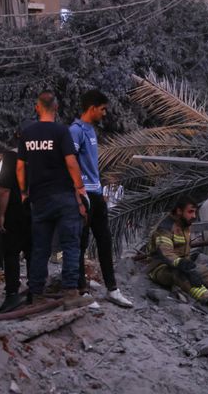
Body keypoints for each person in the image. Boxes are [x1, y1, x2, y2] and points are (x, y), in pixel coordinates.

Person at [17, 91, 91, 309]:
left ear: (37, 107)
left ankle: (37, 294)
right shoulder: (61, 131)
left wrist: (23, 192)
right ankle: (70, 292)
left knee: (40, 248)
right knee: (70, 245)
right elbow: (71, 162)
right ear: (56, 108)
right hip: (64, 196)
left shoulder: (27, 133)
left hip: (39, 198)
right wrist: (80, 189)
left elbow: (20, 167)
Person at [70, 90, 133, 308]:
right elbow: (71, 163)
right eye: (103, 109)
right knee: (81, 243)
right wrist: (79, 193)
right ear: (92, 108)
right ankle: (82, 290)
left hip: (96, 193)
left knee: (105, 241)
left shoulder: (91, 131)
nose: (104, 113)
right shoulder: (75, 131)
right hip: (83, 195)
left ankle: (112, 289)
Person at [0, 121, 34, 313]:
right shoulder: (40, 155)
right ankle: (35, 291)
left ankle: (12, 294)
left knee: (11, 253)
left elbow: (4, 189)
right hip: (36, 210)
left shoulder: (12, 156)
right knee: (32, 252)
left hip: (15, 211)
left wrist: (1, 215)